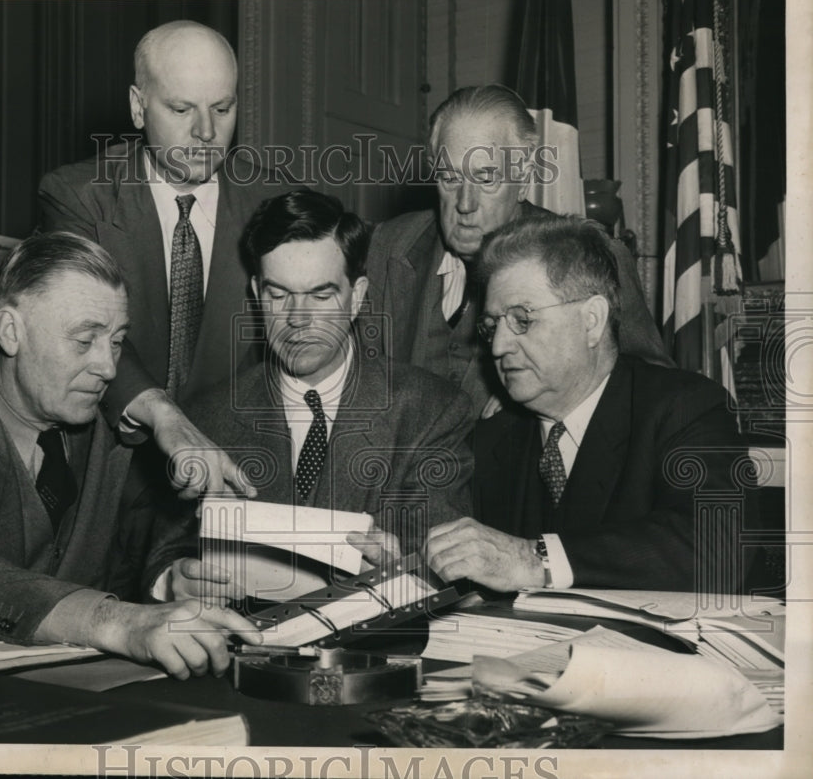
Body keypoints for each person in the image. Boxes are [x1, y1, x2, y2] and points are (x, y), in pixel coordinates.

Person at [0, 233, 261, 679]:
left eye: (117, 341)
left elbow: (139, 543)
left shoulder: (110, 431)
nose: (108, 368)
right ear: (11, 332)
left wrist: (168, 580)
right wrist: (115, 622)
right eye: (84, 341)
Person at [146, 191, 475, 603]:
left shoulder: (431, 411)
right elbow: (162, 555)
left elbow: (452, 574)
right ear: (256, 293)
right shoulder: (205, 418)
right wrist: (171, 581)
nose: (297, 319)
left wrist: (403, 578)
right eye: (278, 294)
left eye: (320, 295)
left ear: (357, 297)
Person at [425, 215, 757, 592]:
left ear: (592, 321)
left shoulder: (683, 409)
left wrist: (536, 561)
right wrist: (414, 568)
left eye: (521, 319)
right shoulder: (492, 438)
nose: (498, 346)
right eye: (491, 326)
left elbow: (719, 547)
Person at [38, 20, 286, 501]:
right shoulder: (77, 196)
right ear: (138, 106)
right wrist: (164, 416)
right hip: (103, 477)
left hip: (234, 477)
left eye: (222, 108)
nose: (206, 132)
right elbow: (82, 330)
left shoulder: (275, 202)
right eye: (181, 109)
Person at [366, 84, 673, 420]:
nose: (465, 204)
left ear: (523, 179)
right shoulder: (390, 245)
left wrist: (553, 401)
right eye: (449, 178)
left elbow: (651, 386)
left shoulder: (591, 255)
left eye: (486, 179)